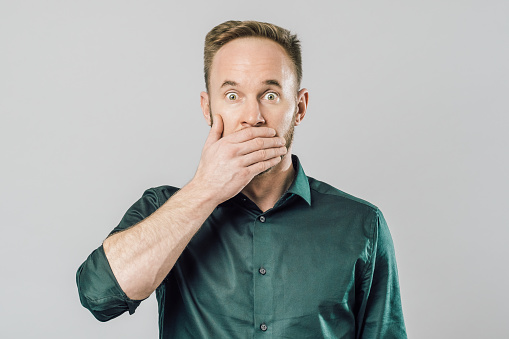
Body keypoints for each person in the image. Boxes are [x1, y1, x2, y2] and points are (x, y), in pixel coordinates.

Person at [76, 20, 407, 338]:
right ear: (208, 109)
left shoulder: (361, 224)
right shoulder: (164, 208)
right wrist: (205, 189)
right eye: (233, 96)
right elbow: (99, 296)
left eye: (271, 95)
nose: (253, 117)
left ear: (300, 107)